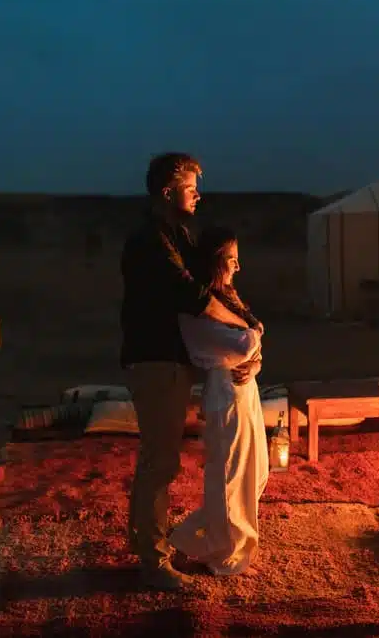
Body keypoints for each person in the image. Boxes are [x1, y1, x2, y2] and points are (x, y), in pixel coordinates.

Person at [120, 153, 252, 590]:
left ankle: (143, 541)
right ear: (167, 192)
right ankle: (153, 561)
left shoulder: (177, 234)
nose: (199, 195)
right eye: (191, 188)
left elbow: (213, 278)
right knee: (161, 462)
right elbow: (192, 295)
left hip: (169, 361)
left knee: (158, 460)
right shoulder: (151, 241)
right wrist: (247, 331)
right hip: (156, 361)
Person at [168, 226, 270, 576]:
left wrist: (253, 352)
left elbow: (250, 344)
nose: (237, 268)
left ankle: (188, 538)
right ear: (214, 263)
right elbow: (243, 344)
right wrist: (254, 337)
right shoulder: (197, 311)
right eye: (231, 260)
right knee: (230, 478)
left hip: (245, 389)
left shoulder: (227, 301)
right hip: (225, 392)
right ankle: (223, 555)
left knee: (256, 473)